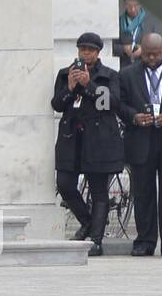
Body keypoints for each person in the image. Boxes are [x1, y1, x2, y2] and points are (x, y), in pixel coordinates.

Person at [50, 30, 124, 256]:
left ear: (98, 52)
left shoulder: (108, 76)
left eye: (90, 50)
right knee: (64, 183)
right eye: (82, 49)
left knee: (99, 190)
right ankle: (88, 222)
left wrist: (89, 85)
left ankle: (96, 239)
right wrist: (71, 88)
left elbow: (110, 103)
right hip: (72, 137)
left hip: (99, 139)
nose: (86, 53)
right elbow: (57, 104)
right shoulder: (65, 74)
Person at [116, 32, 162, 256]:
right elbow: (120, 104)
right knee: (143, 192)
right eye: (147, 55)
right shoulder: (127, 74)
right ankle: (145, 240)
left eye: (155, 54)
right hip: (141, 138)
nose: (151, 58)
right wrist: (133, 116)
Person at [113, 0, 151, 69]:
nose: (133, 10)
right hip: (124, 67)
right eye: (129, 6)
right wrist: (124, 49)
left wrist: (143, 49)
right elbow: (110, 46)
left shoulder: (151, 22)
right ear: (124, 5)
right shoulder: (118, 22)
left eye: (136, 5)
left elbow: (159, 45)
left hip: (145, 67)